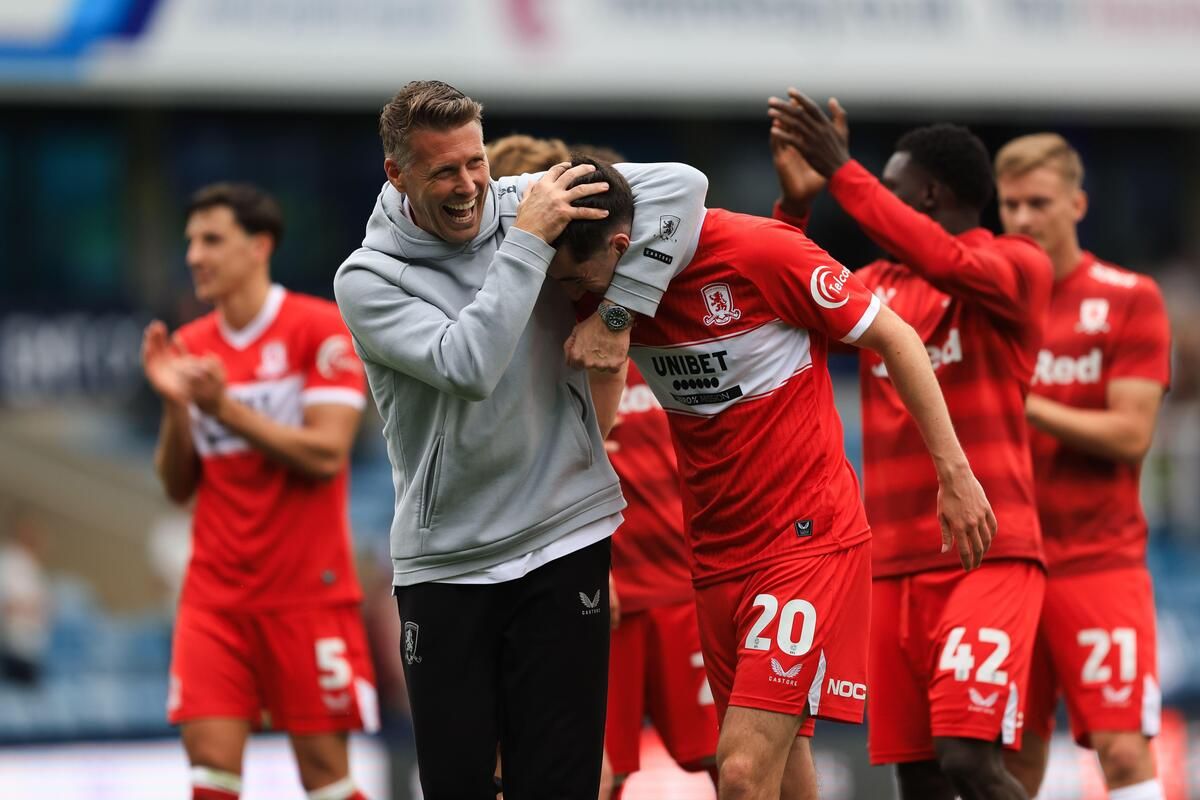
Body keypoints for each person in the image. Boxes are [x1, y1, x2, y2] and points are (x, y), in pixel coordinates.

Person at [548, 156, 996, 800]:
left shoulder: (761, 253)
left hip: (804, 538)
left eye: (577, 278)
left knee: (740, 773)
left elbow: (896, 338)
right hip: (713, 552)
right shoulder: (600, 289)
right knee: (785, 775)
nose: (571, 296)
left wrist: (954, 475)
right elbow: (603, 393)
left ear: (622, 244)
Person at [333, 81, 708, 799]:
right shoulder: (368, 278)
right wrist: (530, 242)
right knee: (460, 786)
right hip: (449, 563)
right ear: (397, 174)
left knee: (561, 787)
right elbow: (468, 366)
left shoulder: (521, 196)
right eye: (444, 170)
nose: (469, 185)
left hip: (565, 537)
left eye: (476, 162)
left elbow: (683, 189)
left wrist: (619, 313)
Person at [769, 94, 1054, 800]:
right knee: (919, 779)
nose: (868, 203)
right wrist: (796, 209)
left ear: (929, 194)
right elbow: (781, 310)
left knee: (967, 757)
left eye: (887, 191)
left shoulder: (1016, 267)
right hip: (892, 565)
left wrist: (843, 171)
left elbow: (946, 260)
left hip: (988, 553)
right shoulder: (875, 289)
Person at [487, 133, 720, 799]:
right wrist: (583, 563)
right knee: (591, 772)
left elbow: (680, 185)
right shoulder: (532, 331)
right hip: (592, 582)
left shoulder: (635, 301)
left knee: (736, 762)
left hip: (682, 582)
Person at [142, 183, 376, 800]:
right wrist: (176, 410)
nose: (194, 255)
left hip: (307, 595)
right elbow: (176, 487)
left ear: (259, 246)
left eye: (211, 239)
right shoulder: (190, 346)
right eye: (190, 241)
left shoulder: (318, 329)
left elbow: (327, 454)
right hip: (215, 597)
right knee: (210, 774)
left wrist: (224, 408)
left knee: (326, 778)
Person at [994, 134, 1172, 800]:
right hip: (1009, 563)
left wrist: (1024, 401)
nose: (1022, 220)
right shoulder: (994, 301)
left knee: (1123, 751)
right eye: (1009, 205)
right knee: (1009, 763)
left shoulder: (1129, 297)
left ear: (1078, 204)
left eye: (1038, 203)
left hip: (1099, 561)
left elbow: (1131, 434)